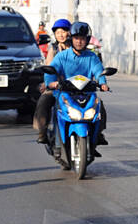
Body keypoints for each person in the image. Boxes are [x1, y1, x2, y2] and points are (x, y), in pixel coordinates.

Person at [34, 20, 109, 148]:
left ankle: (98, 134)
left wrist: (102, 83)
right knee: (44, 101)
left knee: (99, 106)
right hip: (63, 92)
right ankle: (42, 132)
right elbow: (52, 70)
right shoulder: (61, 56)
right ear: (72, 39)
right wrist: (51, 83)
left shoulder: (92, 57)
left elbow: (98, 71)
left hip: (85, 92)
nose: (79, 41)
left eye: (82, 39)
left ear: (87, 40)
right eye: (76, 38)